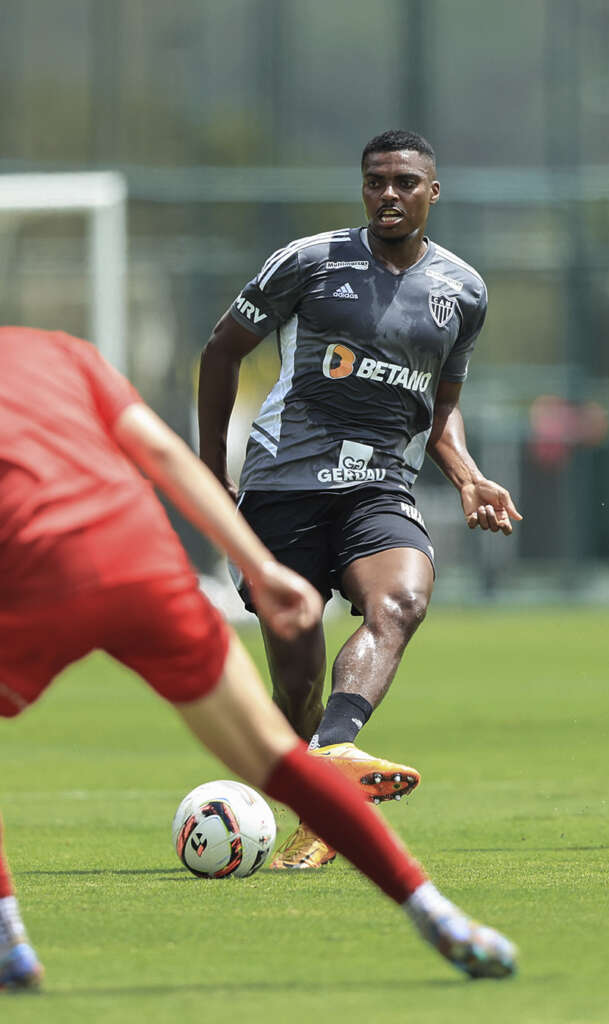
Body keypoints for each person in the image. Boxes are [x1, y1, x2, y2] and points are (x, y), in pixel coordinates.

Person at [0, 235, 517, 992]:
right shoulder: (60, 350)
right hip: (146, 561)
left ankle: (7, 947)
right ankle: (441, 915)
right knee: (280, 759)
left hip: (33, 580)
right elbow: (165, 458)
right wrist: (253, 564)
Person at [198, 129, 523, 870]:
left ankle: (336, 752)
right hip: (282, 485)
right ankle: (319, 785)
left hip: (378, 483)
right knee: (297, 658)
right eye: (375, 180)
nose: (388, 193)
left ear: (431, 192)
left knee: (402, 600)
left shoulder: (462, 290)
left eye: (405, 181)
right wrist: (209, 468)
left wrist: (467, 474)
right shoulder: (309, 261)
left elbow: (439, 406)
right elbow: (221, 351)